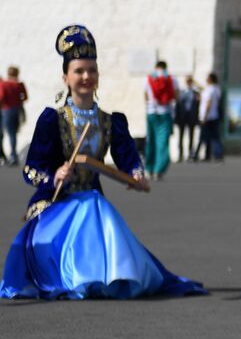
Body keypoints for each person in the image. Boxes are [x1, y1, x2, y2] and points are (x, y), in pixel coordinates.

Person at [2, 26, 205, 299]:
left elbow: (127, 157)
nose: (86, 77)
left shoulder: (110, 121)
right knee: (89, 211)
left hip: (92, 203)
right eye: (79, 71)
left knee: (95, 207)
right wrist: (56, 175)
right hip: (55, 204)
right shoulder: (54, 119)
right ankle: (80, 276)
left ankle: (110, 276)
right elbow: (31, 169)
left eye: (92, 71)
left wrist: (135, 174)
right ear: (66, 77)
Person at [143, 60, 176, 181]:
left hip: (151, 112)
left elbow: (145, 95)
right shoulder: (171, 79)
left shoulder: (149, 78)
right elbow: (175, 96)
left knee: (150, 140)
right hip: (165, 112)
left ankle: (148, 168)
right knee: (162, 142)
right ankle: (158, 170)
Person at [1, 65, 27, 165]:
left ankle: (12, 156)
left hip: (6, 110)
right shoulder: (19, 84)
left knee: (8, 133)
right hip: (17, 110)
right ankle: (14, 155)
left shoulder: (4, 84)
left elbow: (2, 97)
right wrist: (18, 101)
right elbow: (25, 97)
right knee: (14, 134)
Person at [175, 74, 201, 163]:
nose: (189, 83)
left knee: (191, 136)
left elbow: (202, 90)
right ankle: (180, 155)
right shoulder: (181, 92)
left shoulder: (195, 92)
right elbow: (177, 106)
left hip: (191, 116)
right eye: (187, 81)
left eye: (190, 81)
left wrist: (195, 82)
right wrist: (177, 118)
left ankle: (190, 154)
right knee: (181, 136)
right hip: (182, 116)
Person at [199, 72, 223, 162]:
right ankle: (214, 154)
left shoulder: (211, 90)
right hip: (214, 115)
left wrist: (205, 115)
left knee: (207, 136)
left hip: (209, 116)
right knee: (214, 136)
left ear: (210, 79)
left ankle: (213, 154)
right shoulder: (216, 89)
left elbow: (208, 103)